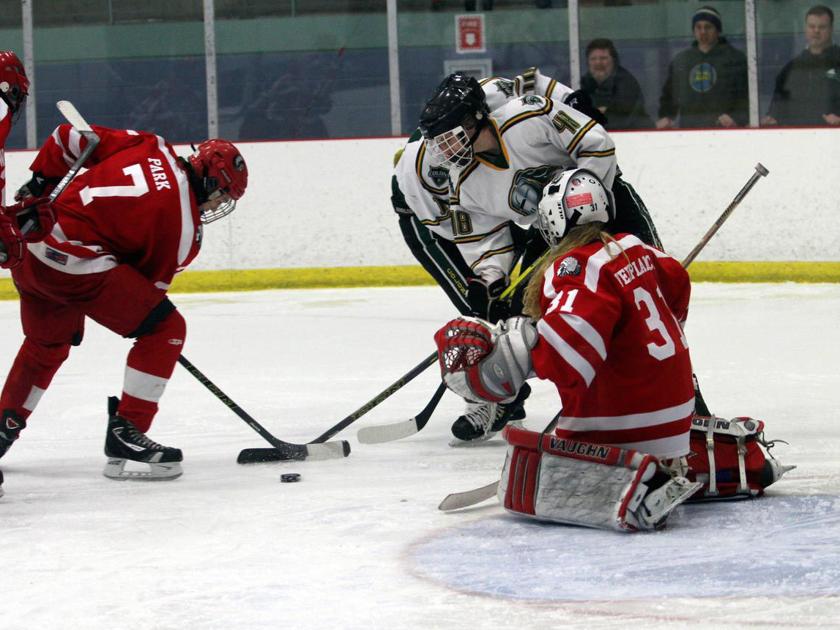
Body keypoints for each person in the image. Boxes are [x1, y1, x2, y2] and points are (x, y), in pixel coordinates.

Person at [433, 169, 792, 531]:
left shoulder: (573, 266)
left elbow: (567, 352)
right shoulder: (640, 248)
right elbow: (677, 287)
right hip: (677, 427)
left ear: (554, 219)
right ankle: (681, 465)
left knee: (522, 474)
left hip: (616, 430)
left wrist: (514, 351)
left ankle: (635, 487)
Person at [0, 123, 248, 482]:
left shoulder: (151, 145)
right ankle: (127, 430)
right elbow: (147, 292)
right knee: (165, 329)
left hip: (27, 243)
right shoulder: (184, 230)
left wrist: (40, 183)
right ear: (211, 183)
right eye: (222, 196)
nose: (218, 204)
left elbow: (72, 136)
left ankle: (3, 429)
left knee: (46, 344)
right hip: (73, 265)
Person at [393, 69, 609, 445]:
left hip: (545, 208)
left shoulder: (511, 110)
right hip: (433, 223)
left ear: (476, 115)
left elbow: (536, 83)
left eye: (449, 140)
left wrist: (572, 101)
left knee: (525, 300)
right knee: (487, 310)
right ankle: (493, 393)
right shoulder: (424, 170)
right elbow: (469, 230)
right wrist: (487, 279)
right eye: (438, 145)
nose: (444, 152)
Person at [657, 6, 748, 129]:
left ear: (718, 30)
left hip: (724, 131)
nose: (703, 31)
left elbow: (745, 97)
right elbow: (669, 96)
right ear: (693, 30)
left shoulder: (735, 58)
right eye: (698, 27)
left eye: (708, 27)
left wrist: (736, 118)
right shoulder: (682, 60)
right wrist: (666, 117)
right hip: (689, 131)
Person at [762, 5, 840, 127]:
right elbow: (777, 106)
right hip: (795, 139)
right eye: (812, 26)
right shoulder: (791, 68)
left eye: (822, 27)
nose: (816, 31)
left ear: (831, 29)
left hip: (832, 138)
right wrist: (773, 119)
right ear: (805, 29)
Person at [581, 38, 653, 130]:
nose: (598, 62)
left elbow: (622, 117)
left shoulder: (627, 82)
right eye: (593, 59)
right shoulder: (583, 83)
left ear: (613, 61)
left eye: (603, 58)